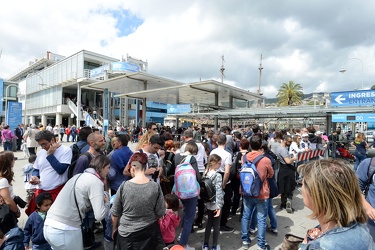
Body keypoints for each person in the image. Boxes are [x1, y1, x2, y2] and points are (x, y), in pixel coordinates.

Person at [299, 159, 375, 249]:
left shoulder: (321, 246)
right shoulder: (360, 228)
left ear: (317, 195)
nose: (301, 188)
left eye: (303, 184)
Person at [43, 155, 111, 250]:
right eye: (108, 168)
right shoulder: (96, 182)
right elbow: (99, 215)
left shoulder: (79, 176)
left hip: (48, 226)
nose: (109, 171)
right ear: (101, 167)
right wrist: (107, 203)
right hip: (65, 230)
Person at [111, 152, 166, 250]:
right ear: (145, 167)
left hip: (127, 235)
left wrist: (114, 228)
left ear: (132, 168)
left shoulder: (124, 186)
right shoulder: (155, 186)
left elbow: (115, 212)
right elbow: (160, 212)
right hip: (149, 233)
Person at [26, 130, 73, 215]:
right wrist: (35, 177)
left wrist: (50, 155)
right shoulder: (41, 153)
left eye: (44, 144)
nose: (42, 147)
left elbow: (61, 170)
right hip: (41, 190)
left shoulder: (66, 150)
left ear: (52, 140)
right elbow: (36, 169)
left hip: (57, 191)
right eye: (40, 145)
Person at [241, 135, 274, 250]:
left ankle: (245, 241)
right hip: (261, 192)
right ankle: (261, 244)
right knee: (261, 219)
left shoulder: (244, 158)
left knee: (246, 216)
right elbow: (271, 174)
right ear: (261, 146)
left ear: (250, 145)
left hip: (247, 191)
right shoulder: (265, 160)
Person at [210, 134, 233, 232]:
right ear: (225, 142)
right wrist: (224, 184)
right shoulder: (227, 154)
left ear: (216, 142)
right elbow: (227, 171)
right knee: (225, 202)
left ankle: (212, 222)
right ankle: (222, 224)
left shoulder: (212, 152)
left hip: (213, 176)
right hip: (224, 177)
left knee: (213, 201)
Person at [202, 154, 224, 250]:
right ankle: (214, 246)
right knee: (216, 226)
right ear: (214, 163)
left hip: (208, 202)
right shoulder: (218, 175)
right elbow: (219, 191)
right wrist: (219, 207)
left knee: (208, 224)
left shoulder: (205, 173)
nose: (220, 165)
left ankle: (205, 244)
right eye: (219, 163)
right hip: (216, 203)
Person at [0, 151, 21, 233]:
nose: (14, 161)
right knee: (14, 235)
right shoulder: (3, 180)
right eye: (13, 159)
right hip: (6, 213)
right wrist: (17, 211)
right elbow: (8, 200)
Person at [276, 135, 298, 213]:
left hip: (282, 169)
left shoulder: (279, 148)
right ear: (284, 140)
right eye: (289, 141)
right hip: (287, 169)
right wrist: (293, 158)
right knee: (289, 187)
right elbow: (288, 161)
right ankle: (288, 202)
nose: (290, 143)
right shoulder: (283, 150)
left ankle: (283, 203)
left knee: (283, 187)